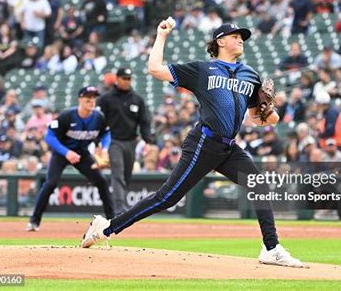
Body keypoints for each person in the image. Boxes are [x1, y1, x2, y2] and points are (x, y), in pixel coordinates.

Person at [81, 21, 306, 268]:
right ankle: (107, 227)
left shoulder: (250, 75)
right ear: (220, 41)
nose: (241, 39)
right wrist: (161, 35)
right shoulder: (203, 70)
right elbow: (155, 68)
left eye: (242, 37)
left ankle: (271, 248)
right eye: (235, 36)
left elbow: (259, 119)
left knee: (259, 184)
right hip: (204, 143)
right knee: (166, 198)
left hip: (228, 148)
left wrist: (270, 107)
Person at [26, 86, 114, 231]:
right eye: (88, 97)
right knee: (50, 183)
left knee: (101, 181)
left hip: (82, 154)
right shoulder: (67, 115)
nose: (91, 100)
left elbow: (106, 134)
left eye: (93, 97)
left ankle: (112, 221)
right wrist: (66, 152)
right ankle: (34, 220)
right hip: (61, 153)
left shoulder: (98, 117)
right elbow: (49, 136)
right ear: (80, 99)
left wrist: (104, 148)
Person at [98, 67, 152, 215]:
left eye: (129, 79)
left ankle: (120, 203)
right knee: (118, 173)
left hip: (131, 142)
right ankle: (120, 208)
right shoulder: (106, 99)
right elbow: (99, 121)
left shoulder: (137, 99)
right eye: (124, 78)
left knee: (127, 175)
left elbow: (144, 121)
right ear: (117, 79)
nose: (127, 81)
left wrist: (147, 140)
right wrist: (98, 142)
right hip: (113, 141)